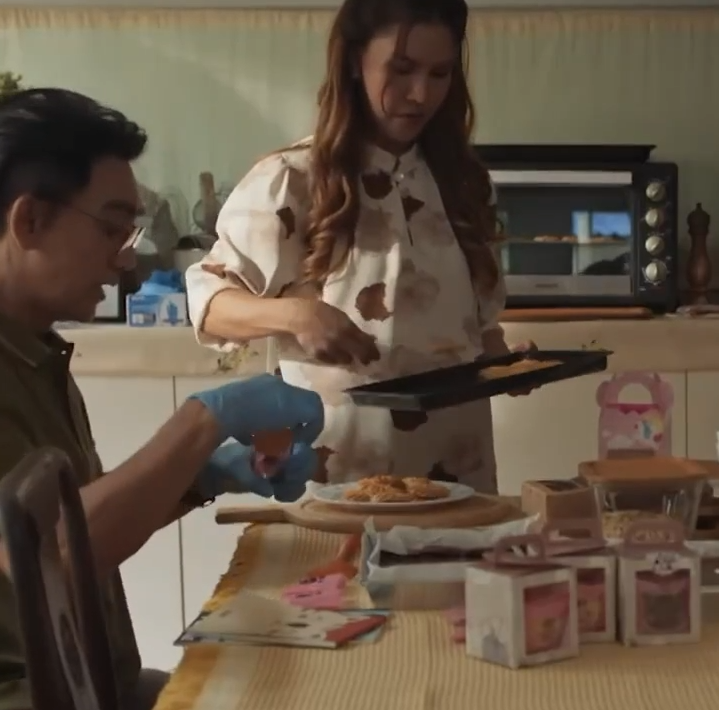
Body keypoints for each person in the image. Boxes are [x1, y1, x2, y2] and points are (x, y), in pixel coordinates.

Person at [0, 88, 325, 710]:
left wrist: (201, 478)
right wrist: (205, 421)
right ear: (30, 220)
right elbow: (53, 554)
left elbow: (88, 528)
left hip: (104, 685)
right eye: (111, 228)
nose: (126, 259)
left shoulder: (36, 351)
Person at [186, 0, 530, 492]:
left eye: (439, 74)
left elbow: (481, 330)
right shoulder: (293, 179)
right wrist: (297, 316)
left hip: (459, 477)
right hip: (338, 476)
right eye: (402, 69)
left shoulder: (464, 185)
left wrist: (507, 364)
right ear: (353, 61)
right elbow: (208, 304)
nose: (420, 94)